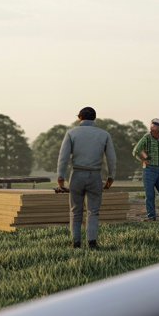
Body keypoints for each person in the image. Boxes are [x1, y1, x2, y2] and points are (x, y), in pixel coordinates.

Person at [55, 106, 116, 250]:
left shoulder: (71, 133)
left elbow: (63, 158)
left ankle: (76, 243)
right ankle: (92, 242)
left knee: (75, 210)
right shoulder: (104, 134)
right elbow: (112, 158)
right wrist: (111, 177)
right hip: (95, 175)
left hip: (77, 174)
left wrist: (60, 177)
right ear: (94, 118)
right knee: (93, 211)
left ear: (79, 118)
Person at [132, 118, 159, 221]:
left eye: (156, 126)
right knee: (150, 194)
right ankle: (151, 216)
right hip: (149, 170)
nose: (154, 127)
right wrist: (143, 159)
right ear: (151, 125)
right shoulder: (146, 137)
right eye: (153, 125)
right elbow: (135, 151)